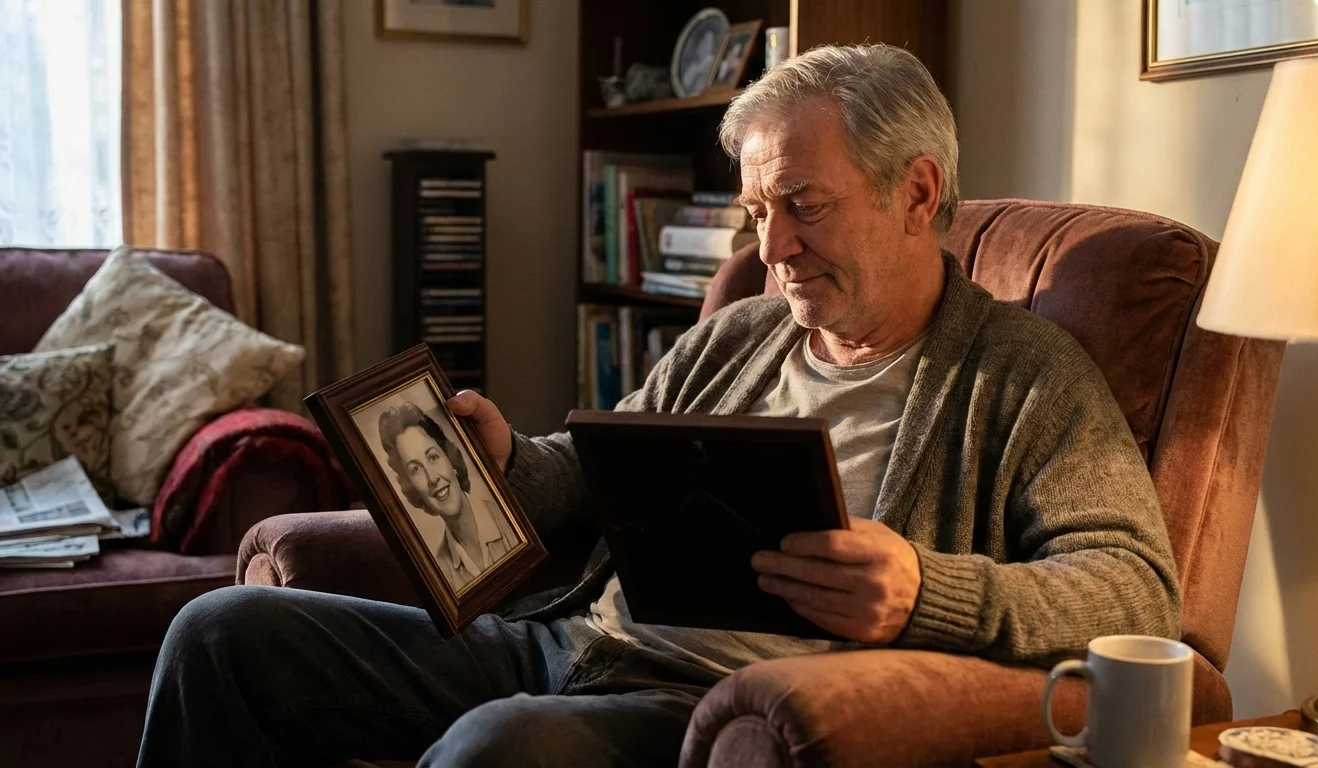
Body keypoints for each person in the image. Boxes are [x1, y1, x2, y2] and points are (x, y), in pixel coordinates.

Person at [136, 43, 1179, 768]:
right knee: (219, 633)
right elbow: (603, 479)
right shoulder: (741, 333)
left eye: (802, 207)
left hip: (701, 710)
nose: (768, 250)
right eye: (758, 212)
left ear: (915, 193)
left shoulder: (1023, 376)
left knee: (494, 751)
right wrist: (510, 462)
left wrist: (925, 592)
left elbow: (1133, 591)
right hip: (564, 644)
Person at [378, 401, 520, 592]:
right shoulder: (438, 573)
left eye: (433, 457)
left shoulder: (513, 523)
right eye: (415, 469)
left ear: (450, 458)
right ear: (412, 486)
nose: (432, 478)